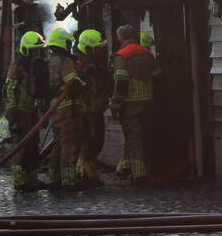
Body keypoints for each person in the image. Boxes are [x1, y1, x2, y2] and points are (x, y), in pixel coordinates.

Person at [110, 23, 159, 183]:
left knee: (134, 138)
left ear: (120, 37)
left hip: (130, 103)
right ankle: (150, 168)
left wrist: (116, 104)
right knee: (148, 136)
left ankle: (138, 174)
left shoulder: (122, 55)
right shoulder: (147, 52)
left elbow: (121, 82)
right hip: (149, 101)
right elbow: (157, 75)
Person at [4, 31, 48, 191]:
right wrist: (12, 110)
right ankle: (20, 181)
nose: (38, 53)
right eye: (34, 50)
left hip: (32, 111)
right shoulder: (17, 66)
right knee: (21, 147)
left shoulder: (36, 67)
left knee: (33, 146)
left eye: (39, 50)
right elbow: (9, 88)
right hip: (21, 112)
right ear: (26, 49)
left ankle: (33, 180)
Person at [46, 26, 84, 189]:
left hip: (54, 105)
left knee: (57, 142)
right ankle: (69, 180)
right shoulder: (65, 61)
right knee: (68, 141)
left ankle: (54, 178)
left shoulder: (50, 60)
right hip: (67, 105)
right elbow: (72, 82)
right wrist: (84, 83)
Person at [74, 29, 110, 186]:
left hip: (97, 110)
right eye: (98, 48)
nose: (101, 51)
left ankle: (89, 172)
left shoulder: (98, 66)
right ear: (88, 49)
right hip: (85, 111)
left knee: (97, 140)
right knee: (87, 141)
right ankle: (84, 173)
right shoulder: (78, 65)